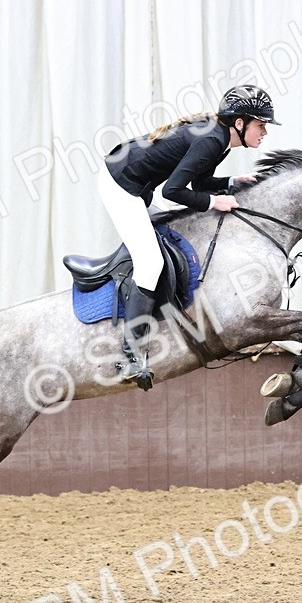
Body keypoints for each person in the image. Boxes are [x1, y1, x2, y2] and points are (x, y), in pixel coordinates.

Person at [100, 84, 279, 390]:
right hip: (122, 187)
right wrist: (214, 202)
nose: (264, 132)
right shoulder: (212, 140)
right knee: (151, 263)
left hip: (138, 185)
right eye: (260, 125)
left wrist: (232, 182)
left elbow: (198, 182)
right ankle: (130, 356)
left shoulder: (221, 139)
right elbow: (173, 191)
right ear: (240, 123)